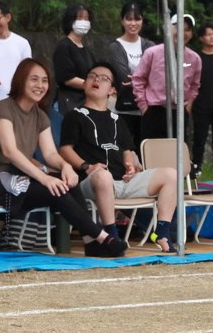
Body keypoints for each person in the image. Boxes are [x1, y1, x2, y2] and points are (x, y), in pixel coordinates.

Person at [0, 57, 126, 256]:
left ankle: (90, 243)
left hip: (22, 178)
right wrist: (45, 178)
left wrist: (66, 167)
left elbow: (50, 154)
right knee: (55, 189)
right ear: (21, 80)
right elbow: (10, 151)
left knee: (67, 185)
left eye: (45, 81)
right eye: (34, 79)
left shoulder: (40, 115)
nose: (40, 85)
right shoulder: (3, 108)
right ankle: (104, 238)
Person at [60, 62, 180, 254]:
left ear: (112, 90)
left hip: (122, 182)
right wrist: (87, 166)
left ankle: (162, 232)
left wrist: (131, 167)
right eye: (92, 76)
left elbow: (126, 151)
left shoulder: (118, 120)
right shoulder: (74, 116)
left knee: (171, 175)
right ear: (84, 83)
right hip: (91, 182)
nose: (97, 80)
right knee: (103, 175)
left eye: (104, 78)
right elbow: (65, 150)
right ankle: (111, 236)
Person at [132, 15, 201, 141]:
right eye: (178, 28)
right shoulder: (152, 52)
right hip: (154, 110)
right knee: (152, 150)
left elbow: (194, 85)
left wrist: (188, 107)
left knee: (176, 150)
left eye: (187, 30)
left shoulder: (194, 58)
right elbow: (138, 79)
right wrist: (144, 107)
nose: (183, 33)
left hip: (179, 111)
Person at [106, 2, 155, 151]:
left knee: (145, 151)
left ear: (142, 20)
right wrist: (146, 80)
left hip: (147, 108)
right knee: (123, 151)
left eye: (137, 19)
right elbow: (125, 77)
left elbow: (157, 75)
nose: (133, 23)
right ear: (122, 21)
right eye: (129, 19)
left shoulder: (150, 45)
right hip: (123, 108)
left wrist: (139, 80)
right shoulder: (115, 47)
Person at [53, 3, 95, 116]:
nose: (84, 21)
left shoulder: (87, 50)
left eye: (86, 18)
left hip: (85, 102)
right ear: (70, 20)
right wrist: (92, 85)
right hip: (68, 103)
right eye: (79, 17)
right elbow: (66, 78)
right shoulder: (64, 46)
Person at [192, 22, 213, 176]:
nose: (212, 37)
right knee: (199, 136)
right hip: (201, 105)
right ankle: (196, 166)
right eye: (208, 34)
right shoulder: (196, 58)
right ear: (201, 38)